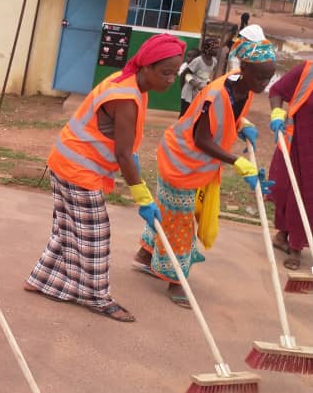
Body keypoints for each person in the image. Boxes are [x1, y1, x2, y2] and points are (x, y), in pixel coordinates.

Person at [25, 34, 185, 323]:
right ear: (146, 67)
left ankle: (42, 279)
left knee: (67, 229)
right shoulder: (125, 97)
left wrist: (136, 172)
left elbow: (124, 146)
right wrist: (143, 198)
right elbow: (123, 155)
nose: (170, 80)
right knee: (95, 236)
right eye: (165, 73)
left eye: (175, 73)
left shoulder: (129, 83)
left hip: (66, 162)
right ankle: (97, 298)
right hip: (79, 169)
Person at [134, 37, 276, 305]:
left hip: (194, 164)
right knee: (181, 222)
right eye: (260, 77)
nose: (264, 84)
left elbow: (226, 117)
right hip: (182, 161)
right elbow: (202, 139)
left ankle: (144, 256)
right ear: (243, 69)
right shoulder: (217, 93)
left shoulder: (241, 86)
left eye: (268, 79)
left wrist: (242, 123)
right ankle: (175, 281)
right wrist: (237, 161)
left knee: (170, 213)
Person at [268, 60, 313, 271]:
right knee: (291, 192)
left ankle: (292, 242)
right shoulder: (306, 70)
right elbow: (277, 90)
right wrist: (277, 114)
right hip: (297, 144)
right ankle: (290, 240)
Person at [179, 37, 219, 116]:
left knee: (195, 115)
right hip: (189, 92)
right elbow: (186, 73)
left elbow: (205, 75)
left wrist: (207, 83)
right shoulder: (198, 60)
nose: (217, 50)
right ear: (208, 48)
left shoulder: (214, 61)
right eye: (215, 48)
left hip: (200, 92)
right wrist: (193, 84)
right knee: (184, 114)